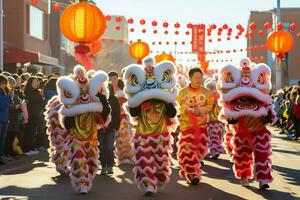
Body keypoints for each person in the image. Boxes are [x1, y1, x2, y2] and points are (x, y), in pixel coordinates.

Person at [217, 58, 275, 189]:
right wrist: (231, 118)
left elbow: (270, 114)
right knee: (243, 155)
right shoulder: (233, 101)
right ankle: (244, 176)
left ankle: (263, 179)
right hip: (241, 131)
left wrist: (267, 115)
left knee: (262, 155)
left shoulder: (263, 99)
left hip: (259, 130)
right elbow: (228, 114)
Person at [123, 57, 178, 196]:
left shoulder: (165, 101)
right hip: (143, 135)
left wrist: (167, 100)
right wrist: (136, 99)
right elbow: (133, 112)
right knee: (144, 160)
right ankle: (148, 184)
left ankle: (159, 177)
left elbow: (172, 113)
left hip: (161, 135)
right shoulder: (139, 101)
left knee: (160, 163)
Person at [57, 65, 111, 194]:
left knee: (91, 164)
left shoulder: (94, 106)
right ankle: (82, 185)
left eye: (86, 91)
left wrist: (103, 100)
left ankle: (87, 180)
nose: (84, 94)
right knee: (78, 160)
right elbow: (67, 124)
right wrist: (69, 109)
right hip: (77, 138)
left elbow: (105, 114)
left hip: (92, 138)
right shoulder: (72, 106)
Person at [177, 67, 214, 185]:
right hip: (187, 126)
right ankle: (193, 174)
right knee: (187, 149)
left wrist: (202, 110)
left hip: (201, 126)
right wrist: (187, 109)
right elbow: (178, 106)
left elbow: (210, 106)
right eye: (196, 77)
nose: (199, 80)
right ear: (190, 78)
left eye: (200, 77)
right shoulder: (182, 92)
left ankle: (191, 170)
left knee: (198, 151)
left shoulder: (206, 92)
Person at [108, 71, 134, 165]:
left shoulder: (124, 88)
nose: (113, 81)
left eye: (114, 78)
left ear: (117, 78)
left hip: (124, 117)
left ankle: (128, 156)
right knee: (117, 138)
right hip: (114, 117)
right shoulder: (108, 90)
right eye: (111, 79)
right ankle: (120, 156)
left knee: (126, 137)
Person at [98, 83, 120, 175]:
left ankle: (110, 167)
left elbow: (117, 114)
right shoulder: (98, 99)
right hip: (99, 128)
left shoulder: (114, 99)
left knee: (110, 147)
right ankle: (103, 167)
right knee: (102, 148)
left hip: (111, 129)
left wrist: (115, 127)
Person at [23, 76, 44, 155]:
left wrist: (40, 96)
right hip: (30, 114)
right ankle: (26, 149)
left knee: (33, 132)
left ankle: (31, 147)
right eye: (34, 82)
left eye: (36, 82)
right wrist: (40, 96)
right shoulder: (28, 91)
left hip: (36, 114)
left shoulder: (37, 91)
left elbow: (41, 102)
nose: (36, 83)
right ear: (30, 83)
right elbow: (33, 100)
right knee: (29, 132)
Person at [0, 75, 12, 164]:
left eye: (5, 83)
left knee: (2, 140)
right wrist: (8, 97)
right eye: (3, 83)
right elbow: (2, 105)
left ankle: (0, 156)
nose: (4, 85)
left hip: (4, 119)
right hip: (1, 119)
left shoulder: (3, 91)